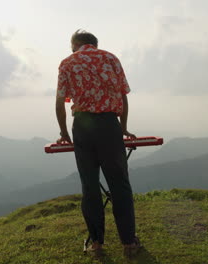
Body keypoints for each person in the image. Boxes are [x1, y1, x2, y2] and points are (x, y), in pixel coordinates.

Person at [55, 29, 142, 257]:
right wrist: (122, 127)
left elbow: (59, 101)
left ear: (76, 44)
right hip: (109, 125)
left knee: (90, 186)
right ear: (94, 44)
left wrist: (64, 132)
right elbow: (123, 96)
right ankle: (128, 242)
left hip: (82, 126)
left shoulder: (67, 63)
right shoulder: (111, 58)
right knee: (119, 184)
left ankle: (96, 243)